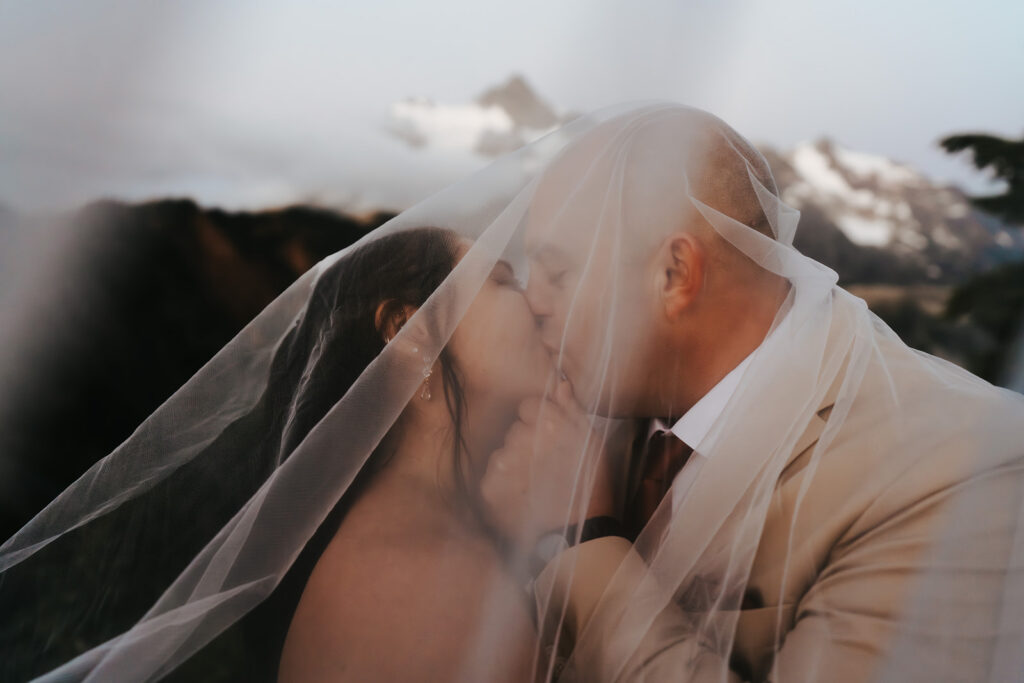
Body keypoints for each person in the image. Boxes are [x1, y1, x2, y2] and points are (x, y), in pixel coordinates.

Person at [479, 104, 1024, 681]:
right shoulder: (586, 421)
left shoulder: (965, 467)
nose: (531, 302)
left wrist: (579, 541)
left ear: (674, 275)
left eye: (559, 274)